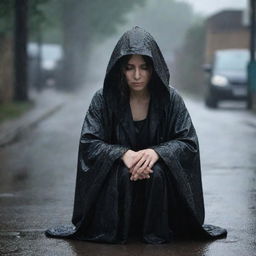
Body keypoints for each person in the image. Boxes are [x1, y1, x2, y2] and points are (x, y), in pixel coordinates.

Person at [45, 26, 227, 244]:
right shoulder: (103, 100)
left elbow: (187, 143)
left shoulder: (171, 100)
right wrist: (122, 154)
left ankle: (156, 231)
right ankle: (121, 228)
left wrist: (157, 152)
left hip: (162, 191)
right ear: (120, 69)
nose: (137, 75)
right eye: (130, 68)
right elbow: (89, 142)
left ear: (154, 68)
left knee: (157, 172)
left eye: (144, 67)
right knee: (121, 172)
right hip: (116, 190)